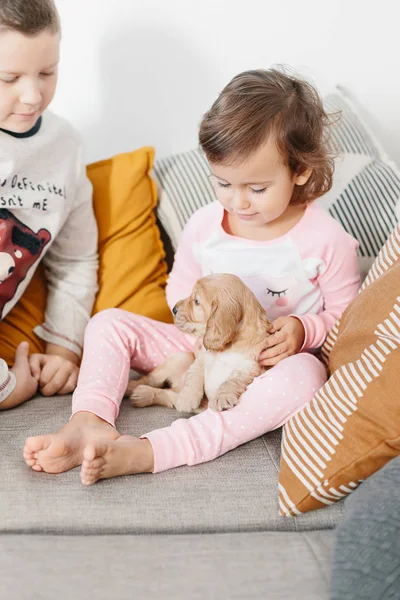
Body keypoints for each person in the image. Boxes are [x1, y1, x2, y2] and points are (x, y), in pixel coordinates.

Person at [24, 68, 360, 483]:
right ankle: (90, 420)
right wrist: (197, 333)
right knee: (108, 322)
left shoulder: (327, 240)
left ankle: (154, 450)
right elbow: (180, 288)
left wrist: (304, 329)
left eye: (257, 188)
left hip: (263, 367)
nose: (238, 202)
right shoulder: (205, 226)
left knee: (307, 376)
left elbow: (348, 319)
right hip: (196, 347)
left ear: (300, 171)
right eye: (223, 182)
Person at [0, 0, 98, 410]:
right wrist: (9, 389)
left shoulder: (65, 149)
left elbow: (76, 262)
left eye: (47, 73)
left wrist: (63, 348)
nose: (32, 95)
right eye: (8, 78)